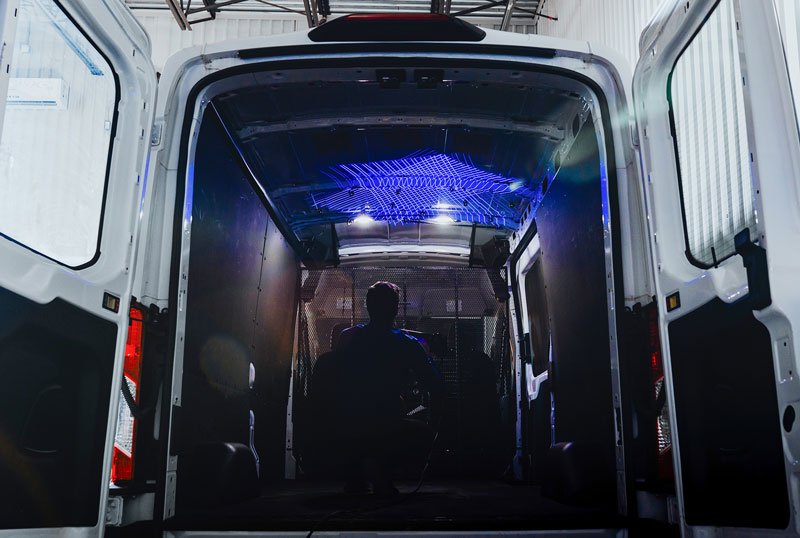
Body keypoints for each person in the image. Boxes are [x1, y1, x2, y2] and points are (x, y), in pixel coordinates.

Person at [314, 281, 444, 496]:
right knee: (422, 434)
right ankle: (382, 475)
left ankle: (357, 476)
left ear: (368, 307)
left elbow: (335, 378)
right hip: (386, 422)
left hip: (347, 421)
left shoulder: (347, 337)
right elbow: (435, 384)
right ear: (395, 309)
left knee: (363, 423)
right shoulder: (407, 343)